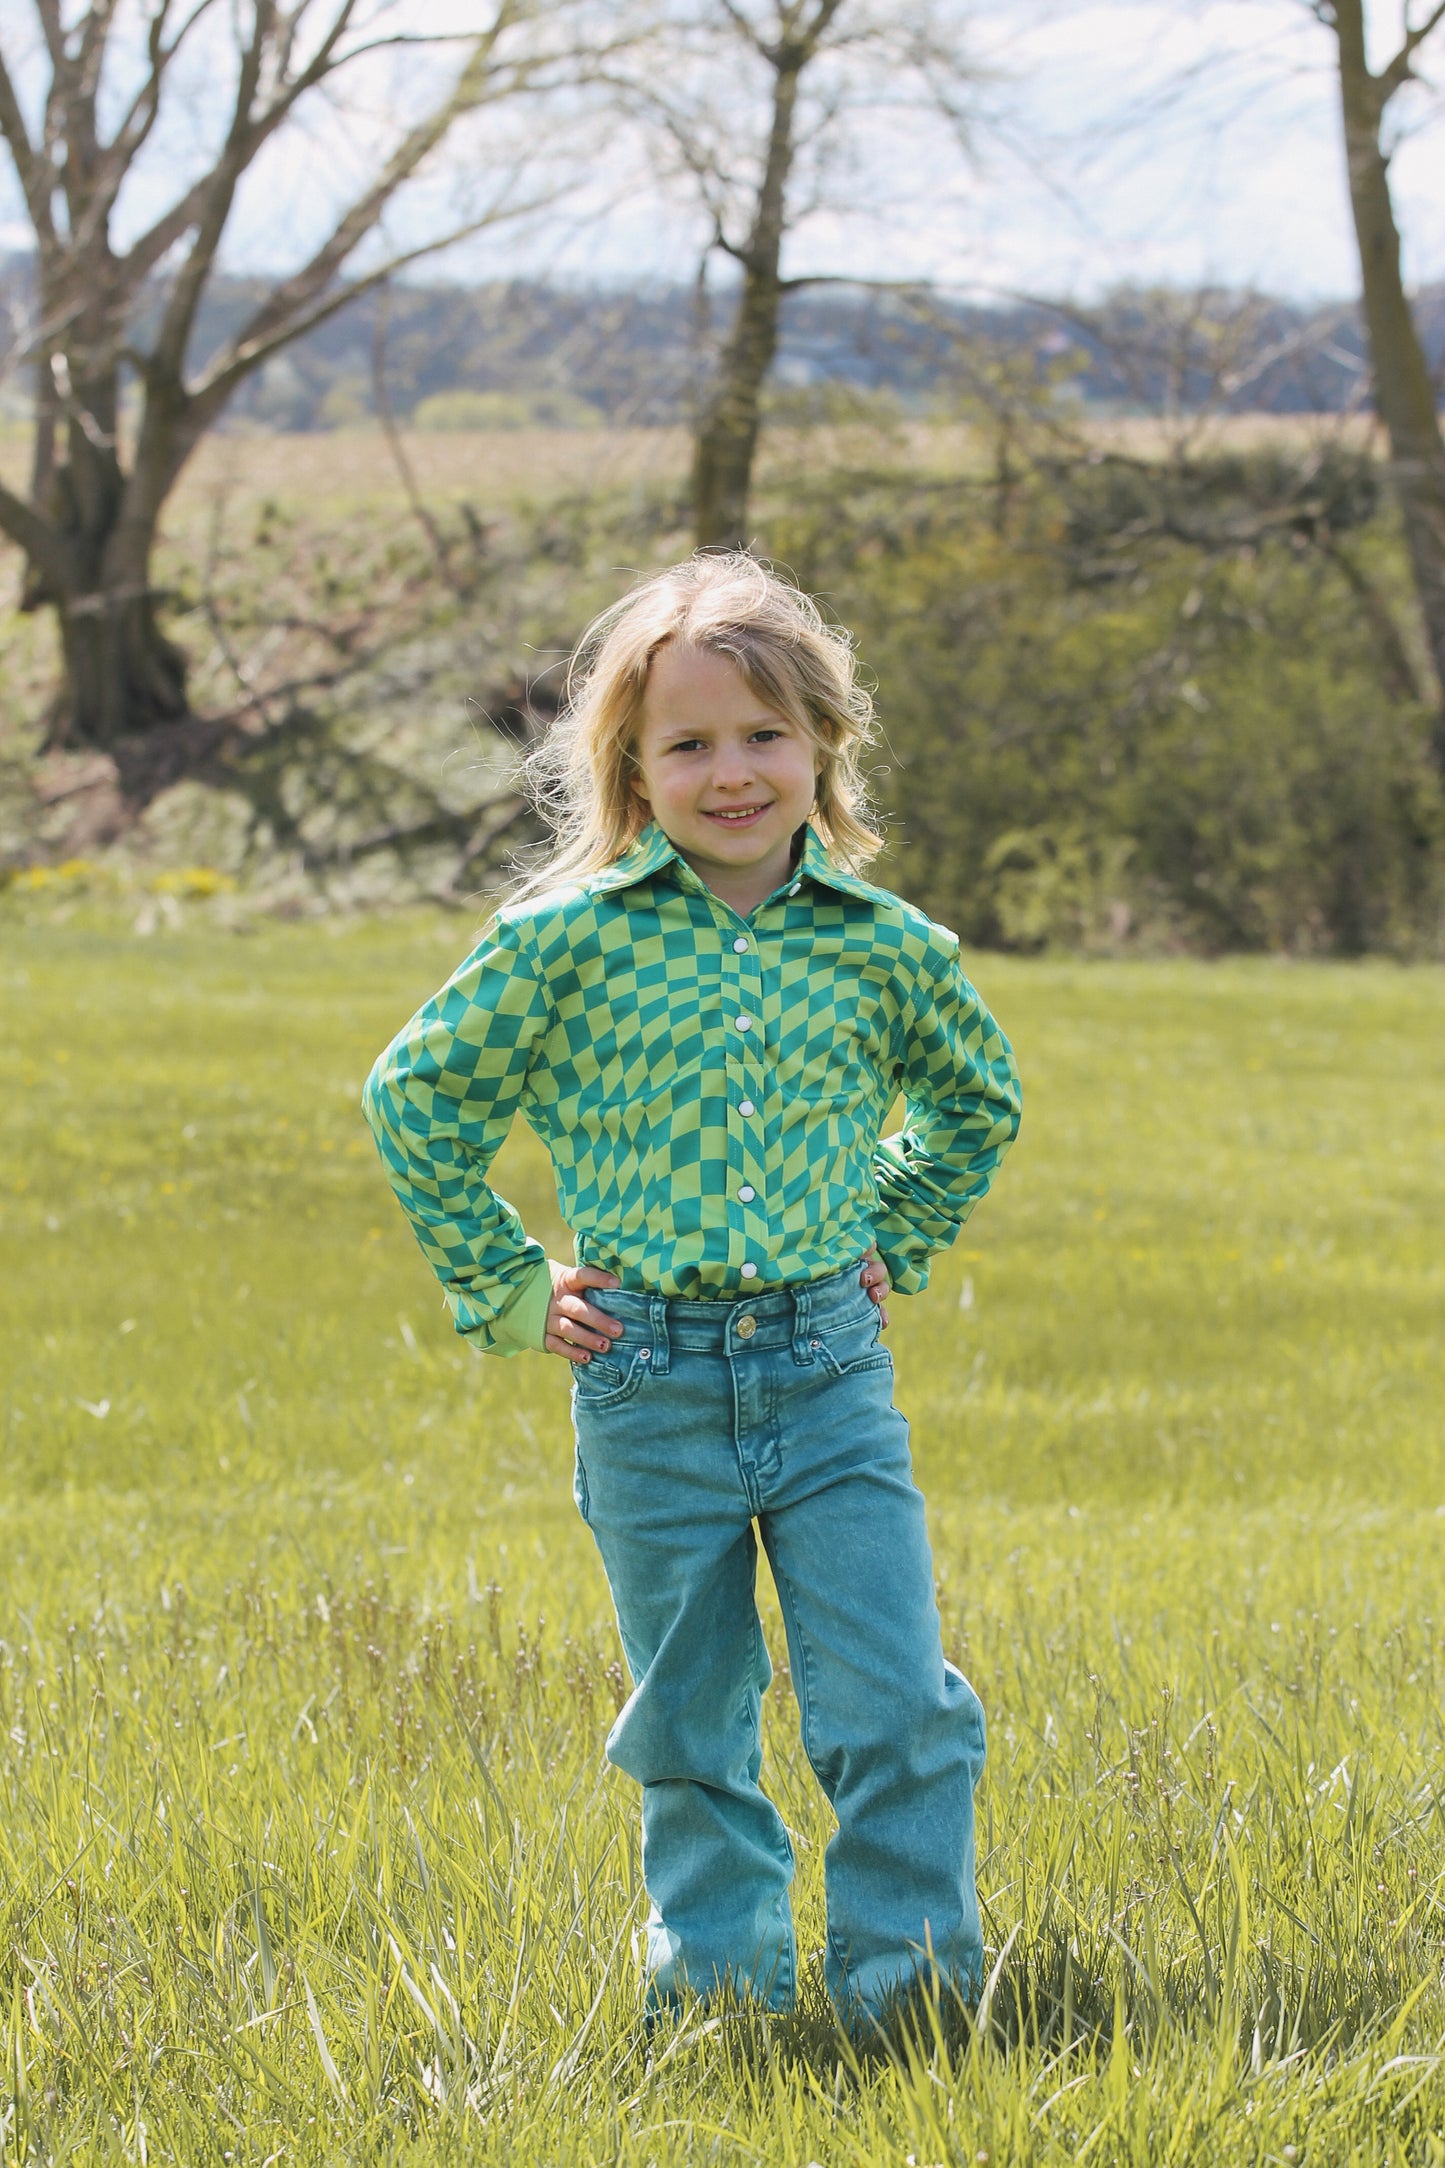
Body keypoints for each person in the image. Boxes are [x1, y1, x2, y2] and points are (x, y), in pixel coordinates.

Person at [363, 552, 1021, 2023]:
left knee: (895, 1704)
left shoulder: (886, 950)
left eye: (763, 735)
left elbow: (976, 1102)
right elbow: (416, 1099)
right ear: (632, 766)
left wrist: (890, 1224)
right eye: (689, 744)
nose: (732, 772)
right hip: (646, 1381)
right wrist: (504, 1282)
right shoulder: (567, 944)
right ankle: (718, 1998)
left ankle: (904, 1999)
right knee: (689, 1714)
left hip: (828, 1370)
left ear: (822, 747)